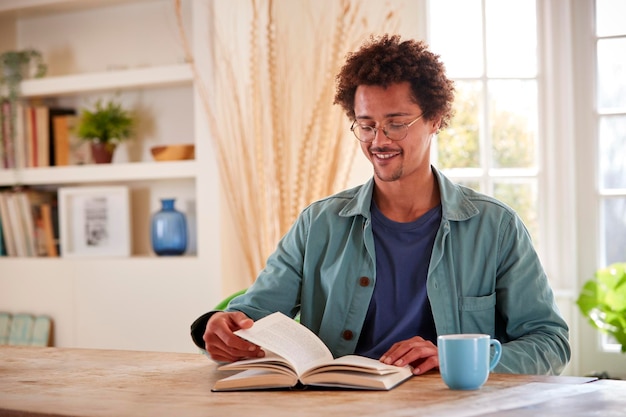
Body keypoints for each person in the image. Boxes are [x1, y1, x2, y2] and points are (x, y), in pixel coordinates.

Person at [191, 34, 571, 375]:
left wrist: (461, 357)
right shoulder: (318, 223)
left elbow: (550, 342)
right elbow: (254, 314)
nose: (379, 140)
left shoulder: (496, 226)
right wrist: (221, 326)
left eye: (396, 123)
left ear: (435, 119)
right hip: (338, 403)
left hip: (448, 406)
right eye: (366, 124)